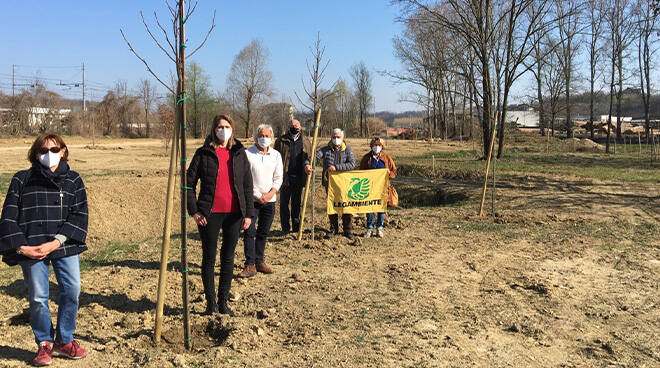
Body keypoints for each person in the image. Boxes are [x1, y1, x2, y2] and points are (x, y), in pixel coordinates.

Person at [0, 133, 89, 366]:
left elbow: (79, 215)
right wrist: (22, 247)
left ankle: (65, 339)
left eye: (54, 149)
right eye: (42, 151)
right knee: (38, 297)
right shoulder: (22, 179)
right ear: (34, 154)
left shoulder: (73, 180)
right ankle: (44, 343)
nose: (48, 155)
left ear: (64, 151)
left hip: (63, 244)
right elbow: (8, 216)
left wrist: (56, 242)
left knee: (72, 290)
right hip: (30, 245)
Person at [187, 115, 254, 317]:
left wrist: (248, 214)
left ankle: (223, 302)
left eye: (226, 126)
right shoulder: (203, 154)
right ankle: (211, 304)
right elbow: (187, 184)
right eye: (219, 127)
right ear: (213, 130)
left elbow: (247, 185)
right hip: (209, 214)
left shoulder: (239, 153)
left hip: (234, 214)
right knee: (209, 257)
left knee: (228, 257)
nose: (223, 130)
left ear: (232, 129)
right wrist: (195, 210)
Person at [239, 124, 283, 278]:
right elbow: (244, 178)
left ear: (271, 137)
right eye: (261, 135)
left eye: (267, 135)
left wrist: (271, 193)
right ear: (256, 137)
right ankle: (250, 264)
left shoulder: (276, 155)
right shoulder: (247, 154)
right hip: (252, 199)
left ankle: (259, 260)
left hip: (270, 200)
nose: (264, 138)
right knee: (249, 231)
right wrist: (258, 195)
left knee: (263, 232)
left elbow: (278, 177)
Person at [305, 128, 356, 239]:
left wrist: (337, 167)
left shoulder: (347, 150)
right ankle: (333, 229)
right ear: (331, 137)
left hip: (345, 183)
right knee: (332, 206)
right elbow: (313, 158)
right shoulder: (325, 149)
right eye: (334, 137)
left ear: (342, 138)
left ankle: (348, 230)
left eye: (338, 137)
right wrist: (308, 164)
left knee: (346, 206)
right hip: (330, 184)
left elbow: (352, 164)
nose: (336, 139)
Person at [274, 119, 311, 233]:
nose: (294, 127)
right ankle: (285, 228)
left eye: (296, 125)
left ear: (300, 127)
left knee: (297, 204)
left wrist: (308, 166)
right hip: (285, 177)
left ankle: (296, 228)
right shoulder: (281, 141)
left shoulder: (305, 141)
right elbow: (275, 157)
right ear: (288, 126)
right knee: (284, 204)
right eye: (292, 125)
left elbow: (310, 157)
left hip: (299, 177)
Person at [359, 137, 397, 238]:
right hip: (370, 187)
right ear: (371, 146)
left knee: (381, 208)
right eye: (375, 145)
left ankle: (379, 228)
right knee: (370, 207)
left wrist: (389, 174)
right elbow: (360, 172)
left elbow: (394, 171)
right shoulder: (367, 158)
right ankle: (370, 228)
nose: (377, 147)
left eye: (379, 145)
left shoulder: (387, 157)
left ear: (382, 146)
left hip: (383, 188)